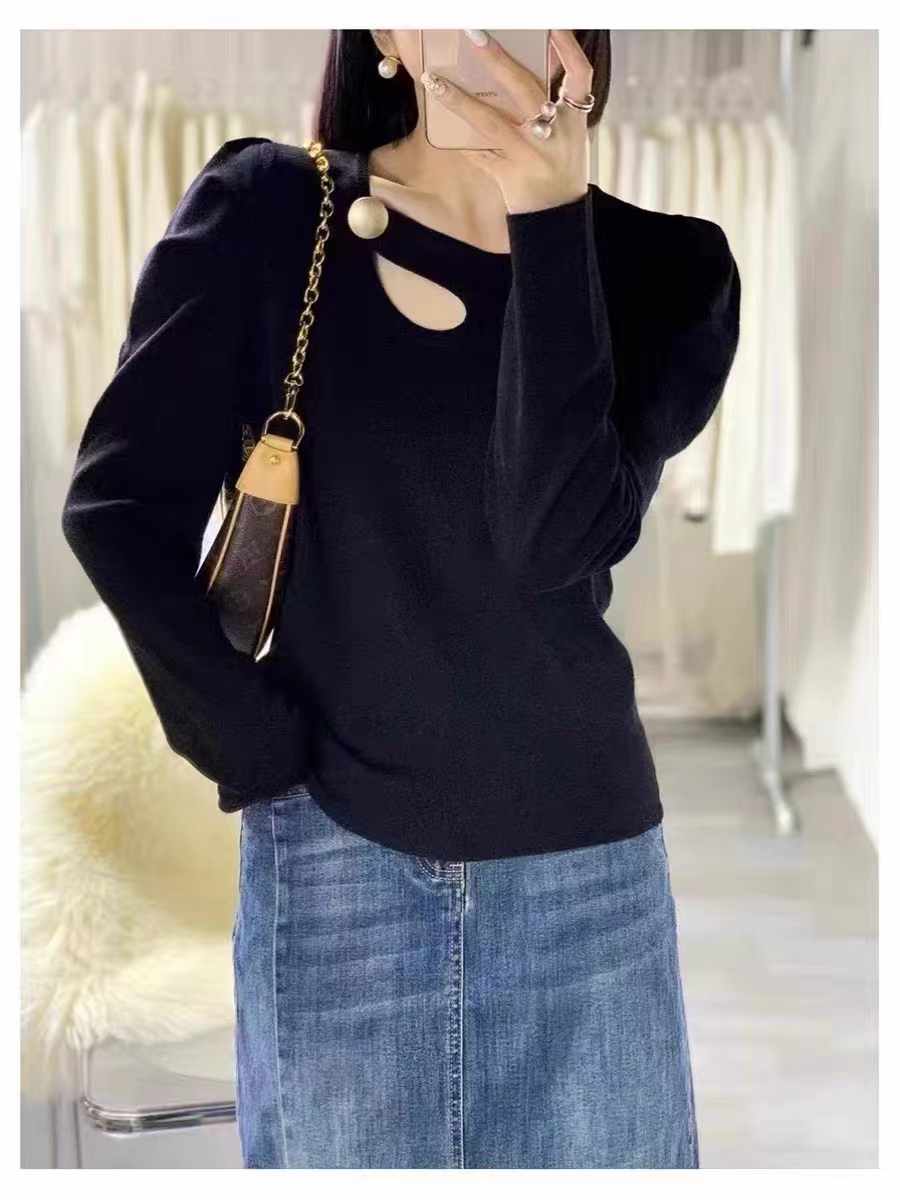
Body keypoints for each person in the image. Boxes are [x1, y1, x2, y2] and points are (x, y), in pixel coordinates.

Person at [62, 29, 740, 1169]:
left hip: (587, 876)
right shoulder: (269, 216)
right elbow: (118, 507)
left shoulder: (667, 273)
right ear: (383, 31)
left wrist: (548, 216)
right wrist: (256, 746)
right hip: (337, 870)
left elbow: (549, 538)